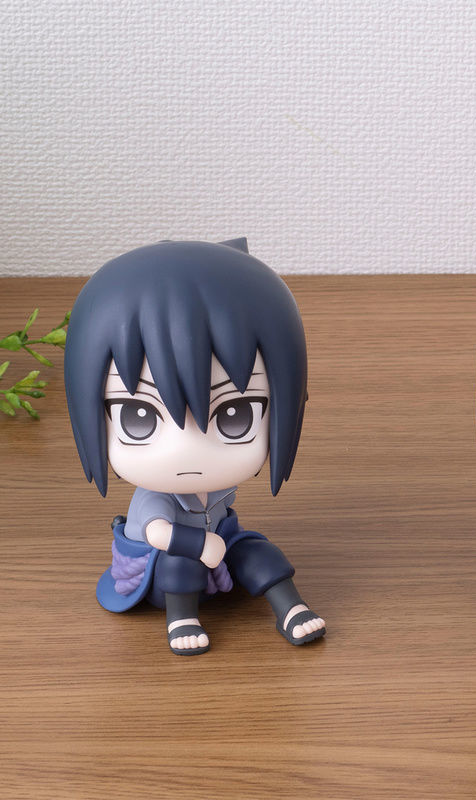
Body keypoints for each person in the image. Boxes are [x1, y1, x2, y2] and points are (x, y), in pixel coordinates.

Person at [65, 238, 325, 656]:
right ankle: (181, 618)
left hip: (220, 552)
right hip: (159, 571)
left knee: (259, 552)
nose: (186, 449)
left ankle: (291, 608)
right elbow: (157, 533)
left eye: (235, 414)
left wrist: (219, 545)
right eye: (138, 416)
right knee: (178, 562)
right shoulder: (154, 497)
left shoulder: (218, 486)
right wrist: (201, 546)